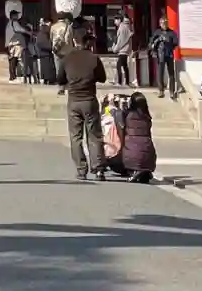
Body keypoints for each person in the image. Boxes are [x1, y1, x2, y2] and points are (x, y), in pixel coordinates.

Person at [57, 22, 107, 181]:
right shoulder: (94, 58)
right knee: (94, 135)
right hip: (89, 99)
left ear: (74, 41)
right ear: (87, 42)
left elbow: (60, 79)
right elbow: (102, 78)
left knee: (75, 136)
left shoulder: (66, 59)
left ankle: (81, 169)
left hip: (74, 100)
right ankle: (98, 169)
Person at [108, 91, 157, 182]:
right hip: (149, 156)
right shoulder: (147, 117)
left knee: (114, 163)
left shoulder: (127, 115)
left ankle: (135, 171)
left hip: (131, 154)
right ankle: (144, 171)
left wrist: (112, 104)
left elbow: (116, 114)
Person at [151, 16, 180, 98]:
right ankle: (161, 91)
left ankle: (171, 91)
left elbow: (175, 43)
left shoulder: (172, 33)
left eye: (166, 23)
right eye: (163, 23)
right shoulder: (157, 32)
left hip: (169, 55)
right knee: (160, 73)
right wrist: (158, 41)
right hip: (160, 55)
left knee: (171, 74)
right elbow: (152, 43)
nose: (164, 24)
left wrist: (168, 42)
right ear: (160, 24)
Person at [113, 9, 136, 86]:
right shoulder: (126, 27)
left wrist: (115, 48)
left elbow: (121, 41)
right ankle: (126, 82)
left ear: (119, 20)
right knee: (124, 66)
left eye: (115, 20)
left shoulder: (122, 28)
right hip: (126, 49)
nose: (115, 22)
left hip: (123, 50)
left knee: (119, 65)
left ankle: (120, 82)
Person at [34, 19, 57, 85]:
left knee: (45, 68)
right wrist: (51, 46)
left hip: (43, 53)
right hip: (46, 53)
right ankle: (50, 80)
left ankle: (46, 80)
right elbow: (43, 43)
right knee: (48, 68)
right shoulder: (44, 32)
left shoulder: (42, 32)